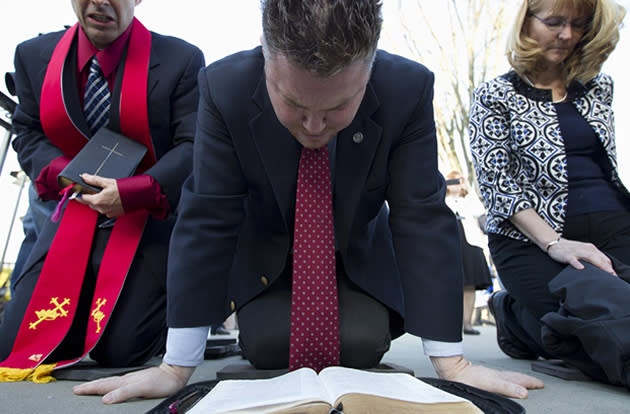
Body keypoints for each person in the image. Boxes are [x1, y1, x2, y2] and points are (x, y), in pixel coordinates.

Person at [74, 0, 542, 403]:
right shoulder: (224, 88)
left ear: (370, 66)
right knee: (270, 346)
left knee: (359, 344)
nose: (314, 127)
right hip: (265, 260)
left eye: (338, 106)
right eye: (294, 102)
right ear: (266, 60)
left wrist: (452, 362)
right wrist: (175, 368)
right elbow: (207, 217)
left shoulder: (408, 89)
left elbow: (420, 215)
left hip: (356, 254)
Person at [0, 0, 204, 380]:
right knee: (18, 344)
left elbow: (194, 146)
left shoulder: (181, 60)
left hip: (145, 218)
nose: (100, 2)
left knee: (122, 351)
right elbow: (28, 131)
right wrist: (65, 173)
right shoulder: (33, 55)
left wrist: (135, 191)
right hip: (71, 213)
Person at [469, 0, 630, 384]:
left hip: (614, 229)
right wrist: (555, 243)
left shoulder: (598, 86)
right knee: (617, 318)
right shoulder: (494, 96)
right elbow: (498, 187)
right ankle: (519, 316)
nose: (567, 35)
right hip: (533, 243)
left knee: (604, 317)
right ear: (526, 22)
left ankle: (525, 319)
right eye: (555, 22)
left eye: (578, 24)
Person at [445, 170, 493, 336]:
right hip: (449, 243)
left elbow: (479, 212)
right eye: (450, 182)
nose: (454, 185)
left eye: (457, 181)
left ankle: (468, 323)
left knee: (470, 283)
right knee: (450, 283)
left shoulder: (469, 199)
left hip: (470, 242)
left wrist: (467, 188)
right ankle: (451, 323)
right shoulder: (442, 199)